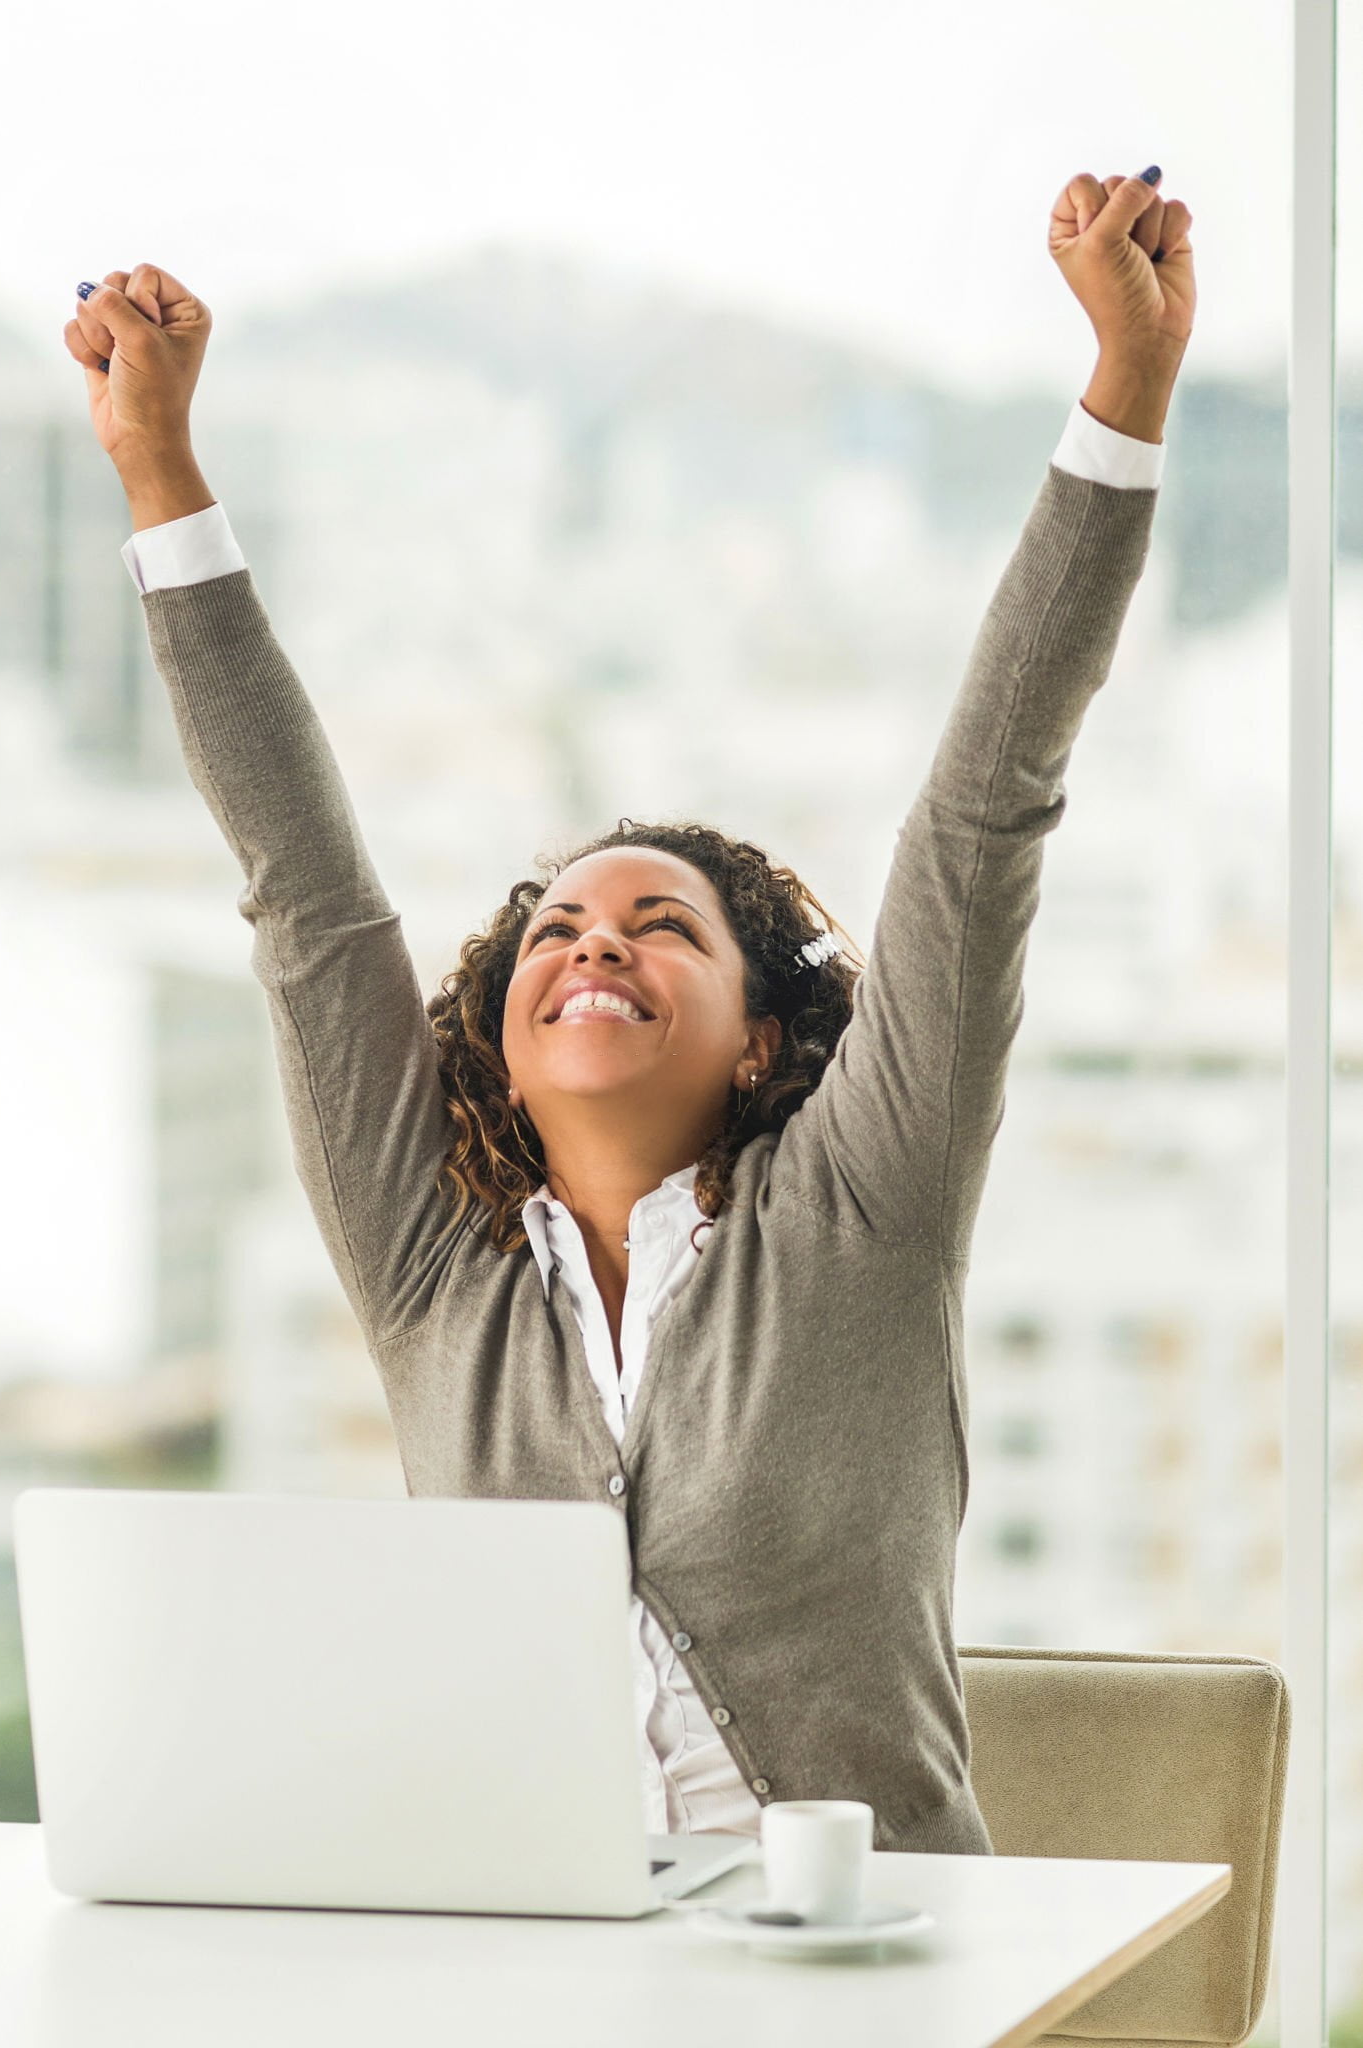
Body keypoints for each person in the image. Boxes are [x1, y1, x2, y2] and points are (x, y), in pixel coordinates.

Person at [62, 167, 1195, 1852]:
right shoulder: (433, 1268)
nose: (591, 945)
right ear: (500, 1027)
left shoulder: (861, 1212)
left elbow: (980, 817)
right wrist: (159, 471)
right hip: (523, 1958)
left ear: (759, 1036)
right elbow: (304, 890)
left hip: (864, 1974)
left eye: (660, 926)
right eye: (555, 930)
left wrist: (1125, 392)